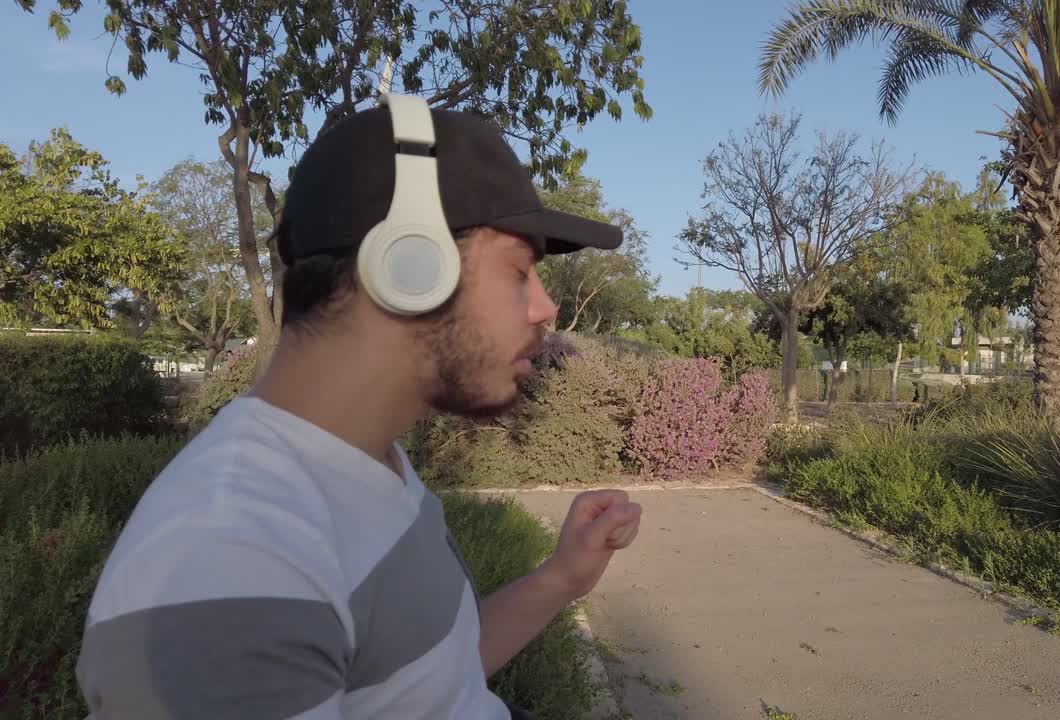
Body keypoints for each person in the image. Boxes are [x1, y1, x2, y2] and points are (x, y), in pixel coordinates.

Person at [75, 93, 643, 719]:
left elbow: (423, 685)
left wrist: (561, 578)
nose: (544, 308)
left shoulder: (367, 464)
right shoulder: (230, 561)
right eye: (517, 272)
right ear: (408, 266)